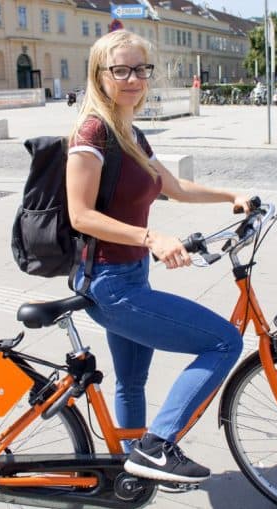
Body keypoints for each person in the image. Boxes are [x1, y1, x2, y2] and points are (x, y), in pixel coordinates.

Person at [65, 30, 250, 484]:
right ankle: (158, 444)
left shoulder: (129, 132)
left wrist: (231, 194)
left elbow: (175, 187)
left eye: (140, 70)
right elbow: (81, 214)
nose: (133, 79)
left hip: (130, 277)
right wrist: (151, 237)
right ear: (99, 75)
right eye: (121, 70)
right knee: (224, 341)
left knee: (131, 383)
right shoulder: (92, 130)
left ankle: (132, 469)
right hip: (109, 283)